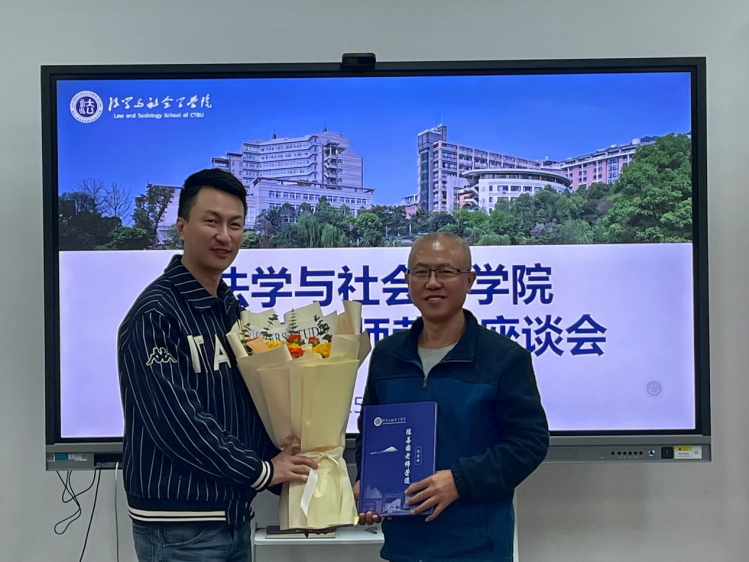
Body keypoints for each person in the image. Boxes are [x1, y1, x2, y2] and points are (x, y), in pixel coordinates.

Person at [118, 168, 317, 562]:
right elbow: (177, 423)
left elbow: (248, 404)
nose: (224, 236)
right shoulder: (156, 314)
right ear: (181, 227)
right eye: (211, 221)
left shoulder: (230, 310)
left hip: (232, 517)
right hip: (179, 529)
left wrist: (287, 451)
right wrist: (262, 471)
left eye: (235, 224)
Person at [354, 232, 549, 562]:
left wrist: (460, 480)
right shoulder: (388, 354)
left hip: (476, 547)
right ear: (407, 280)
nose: (432, 283)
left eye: (445, 271)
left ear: (469, 280)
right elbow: (369, 433)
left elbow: (529, 442)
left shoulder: (503, 358)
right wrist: (367, 482)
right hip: (403, 547)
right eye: (421, 272)